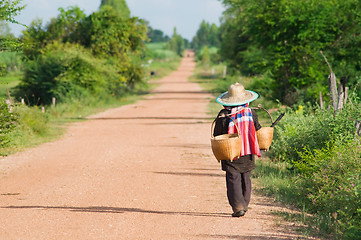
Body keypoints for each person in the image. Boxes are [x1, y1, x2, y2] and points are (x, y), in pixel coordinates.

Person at [213, 82, 262, 217]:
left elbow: (217, 134)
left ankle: (238, 206)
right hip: (248, 151)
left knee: (233, 178)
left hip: (231, 152)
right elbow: (257, 129)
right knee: (246, 177)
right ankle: (245, 204)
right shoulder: (251, 113)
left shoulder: (224, 115)